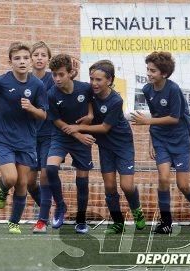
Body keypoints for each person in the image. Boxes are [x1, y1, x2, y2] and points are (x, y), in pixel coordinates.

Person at [62, 60, 146, 234]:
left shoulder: (116, 100)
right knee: (109, 186)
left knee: (127, 186)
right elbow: (74, 88)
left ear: (109, 80)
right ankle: (118, 221)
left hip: (123, 146)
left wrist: (79, 127)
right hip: (105, 146)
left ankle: (137, 212)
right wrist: (71, 74)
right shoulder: (89, 91)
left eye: (99, 80)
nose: (94, 83)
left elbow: (104, 128)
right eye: (92, 79)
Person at [131, 51, 190, 234]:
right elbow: (157, 116)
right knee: (163, 178)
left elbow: (174, 118)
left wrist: (147, 122)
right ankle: (166, 221)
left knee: (183, 184)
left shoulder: (173, 90)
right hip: (161, 140)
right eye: (148, 69)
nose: (149, 73)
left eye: (153, 71)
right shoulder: (147, 90)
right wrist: (151, 141)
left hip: (180, 140)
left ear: (164, 74)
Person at [0, 42, 47, 234]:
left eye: (25, 58)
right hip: (3, 137)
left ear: (31, 61)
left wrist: (31, 108)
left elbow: (43, 114)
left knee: (23, 183)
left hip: (26, 139)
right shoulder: (1, 82)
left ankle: (14, 222)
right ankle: (2, 188)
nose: (22, 62)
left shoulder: (37, 85)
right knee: (11, 177)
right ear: (10, 62)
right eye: (17, 59)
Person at [36, 54, 94, 234]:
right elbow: (57, 121)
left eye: (61, 74)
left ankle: (81, 219)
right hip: (61, 136)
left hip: (83, 137)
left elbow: (93, 105)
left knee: (82, 179)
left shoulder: (85, 89)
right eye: (54, 75)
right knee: (50, 168)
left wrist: (90, 116)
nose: (57, 79)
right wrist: (77, 133)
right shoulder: (51, 93)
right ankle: (60, 206)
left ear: (71, 73)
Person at [27, 41, 54, 217]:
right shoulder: (24, 79)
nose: (39, 58)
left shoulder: (54, 79)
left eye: (43, 55)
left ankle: (44, 216)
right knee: (29, 182)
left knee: (45, 175)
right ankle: (48, 209)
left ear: (49, 59)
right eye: (36, 55)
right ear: (30, 59)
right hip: (29, 136)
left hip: (49, 134)